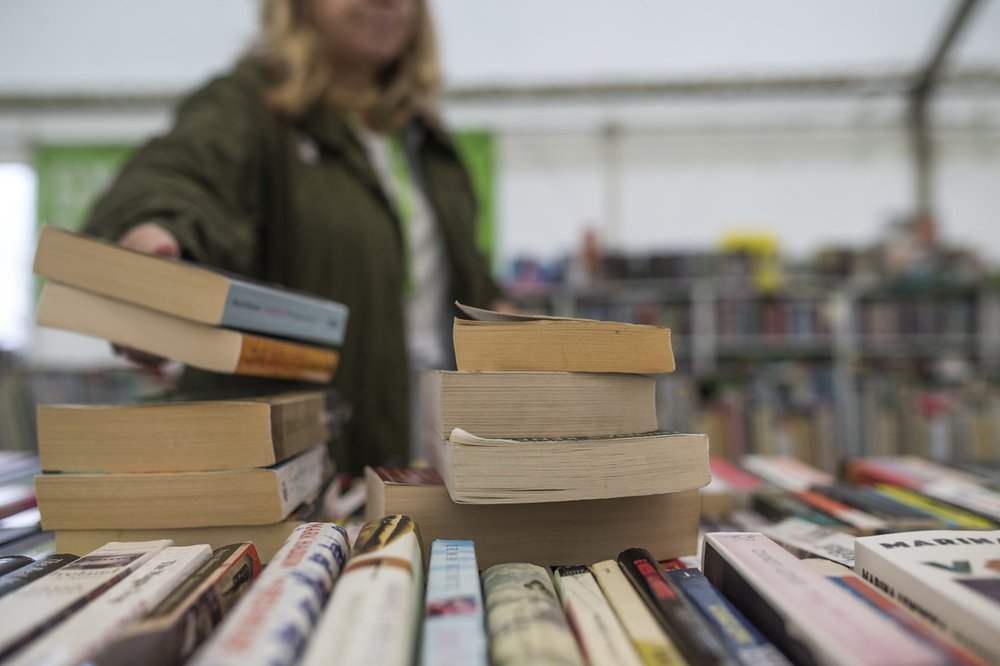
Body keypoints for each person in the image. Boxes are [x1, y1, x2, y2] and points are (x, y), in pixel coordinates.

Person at [83, 0, 504, 474]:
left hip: (428, 456)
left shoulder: (430, 143)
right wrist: (152, 238)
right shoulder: (250, 108)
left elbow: (463, 283)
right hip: (301, 469)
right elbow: (179, 176)